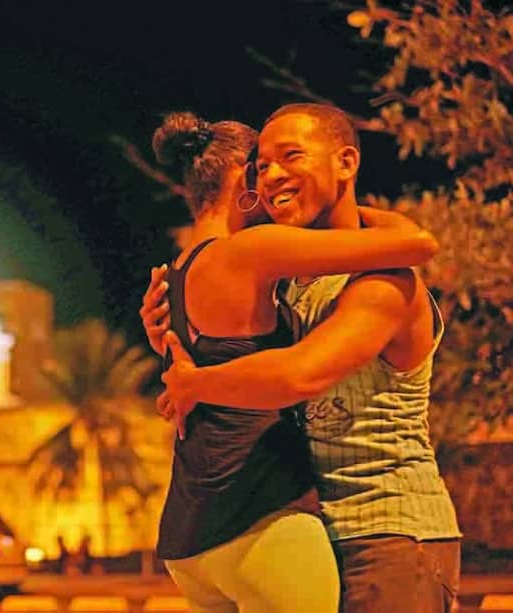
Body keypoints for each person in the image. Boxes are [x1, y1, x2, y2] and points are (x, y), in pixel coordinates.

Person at [144, 103, 461, 612]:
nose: (271, 176)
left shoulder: (384, 284)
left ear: (346, 163)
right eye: (261, 165)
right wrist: (169, 334)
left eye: (290, 157)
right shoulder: (285, 287)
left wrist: (194, 382)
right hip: (310, 528)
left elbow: (301, 373)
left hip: (389, 534)